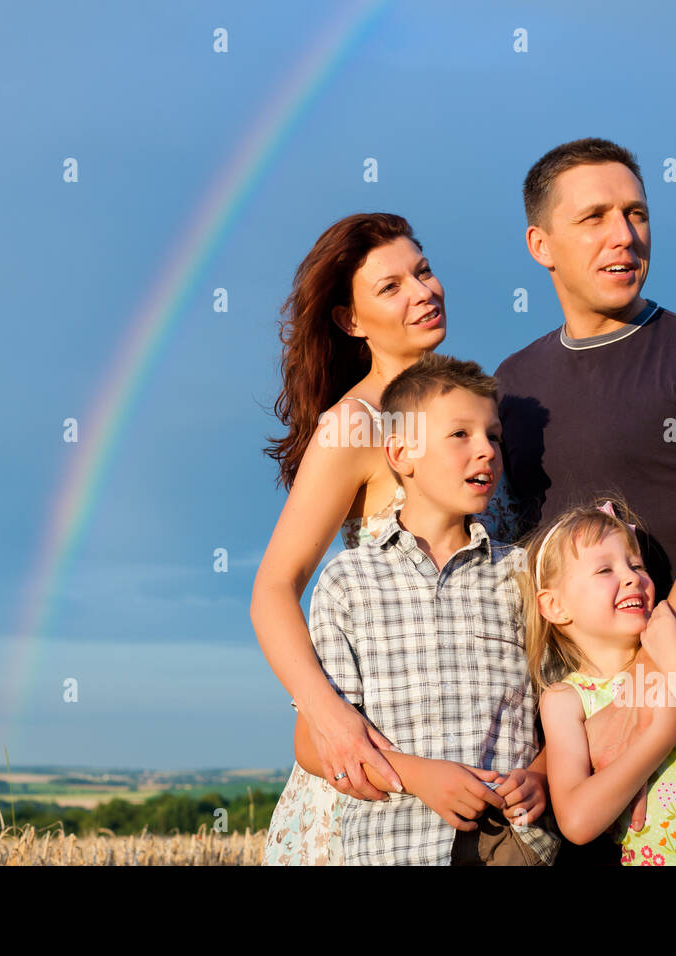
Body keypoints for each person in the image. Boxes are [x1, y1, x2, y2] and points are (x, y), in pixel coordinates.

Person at [484, 137, 676, 864]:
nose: (625, 235)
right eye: (595, 217)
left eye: (637, 213)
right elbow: (522, 569)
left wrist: (647, 696)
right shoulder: (512, 387)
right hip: (576, 723)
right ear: (541, 244)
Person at [291, 353, 558, 864]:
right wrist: (420, 776)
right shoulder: (348, 584)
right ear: (401, 452)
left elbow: (566, 707)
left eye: (494, 436)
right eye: (460, 435)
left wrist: (543, 775)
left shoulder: (524, 575)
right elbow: (315, 742)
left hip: (513, 845)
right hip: (394, 843)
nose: (486, 450)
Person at [255, 213, 447, 865]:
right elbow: (274, 588)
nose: (423, 292)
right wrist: (331, 722)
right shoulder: (353, 426)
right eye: (391, 286)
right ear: (349, 321)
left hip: (467, 738)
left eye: (422, 272)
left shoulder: (473, 411)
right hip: (384, 754)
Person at [520, 499, 676, 865]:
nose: (631, 577)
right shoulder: (566, 700)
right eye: (604, 570)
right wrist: (659, 732)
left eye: (636, 565)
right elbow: (577, 821)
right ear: (555, 606)